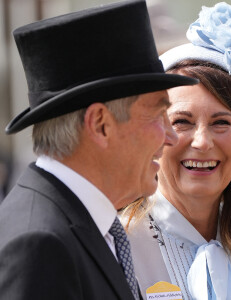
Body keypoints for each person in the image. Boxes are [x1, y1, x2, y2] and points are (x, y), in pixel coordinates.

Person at [0, 0, 198, 299]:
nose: (171, 137)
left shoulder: (76, 223)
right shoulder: (41, 244)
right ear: (101, 124)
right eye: (157, 115)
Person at [123, 2, 231, 300]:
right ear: (153, 133)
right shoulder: (117, 244)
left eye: (221, 122)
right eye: (182, 122)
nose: (201, 142)